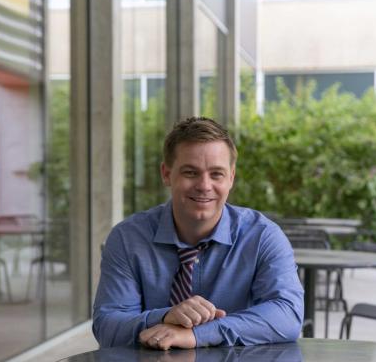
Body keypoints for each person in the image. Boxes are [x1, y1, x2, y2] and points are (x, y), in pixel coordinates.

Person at [93, 117, 303, 350]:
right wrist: (164, 317)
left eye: (216, 174)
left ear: (231, 177)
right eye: (191, 173)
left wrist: (197, 335)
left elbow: (288, 315)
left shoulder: (263, 237)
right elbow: (107, 326)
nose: (204, 185)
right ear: (166, 174)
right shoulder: (127, 239)